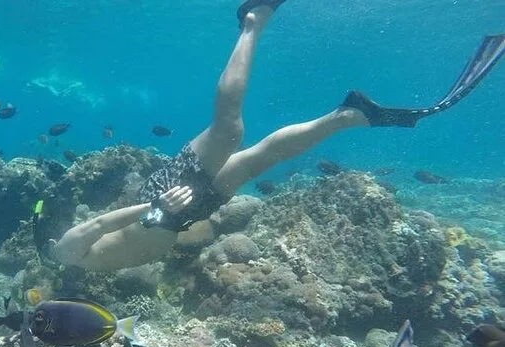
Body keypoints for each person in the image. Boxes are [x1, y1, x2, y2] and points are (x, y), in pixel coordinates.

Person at [38, 0, 504, 272]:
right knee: (263, 156)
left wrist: (155, 207)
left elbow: (98, 225)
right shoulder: (78, 267)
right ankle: (348, 116)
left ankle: (252, 20)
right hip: (177, 217)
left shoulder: (64, 253)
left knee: (229, 129)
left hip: (164, 202)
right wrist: (163, 216)